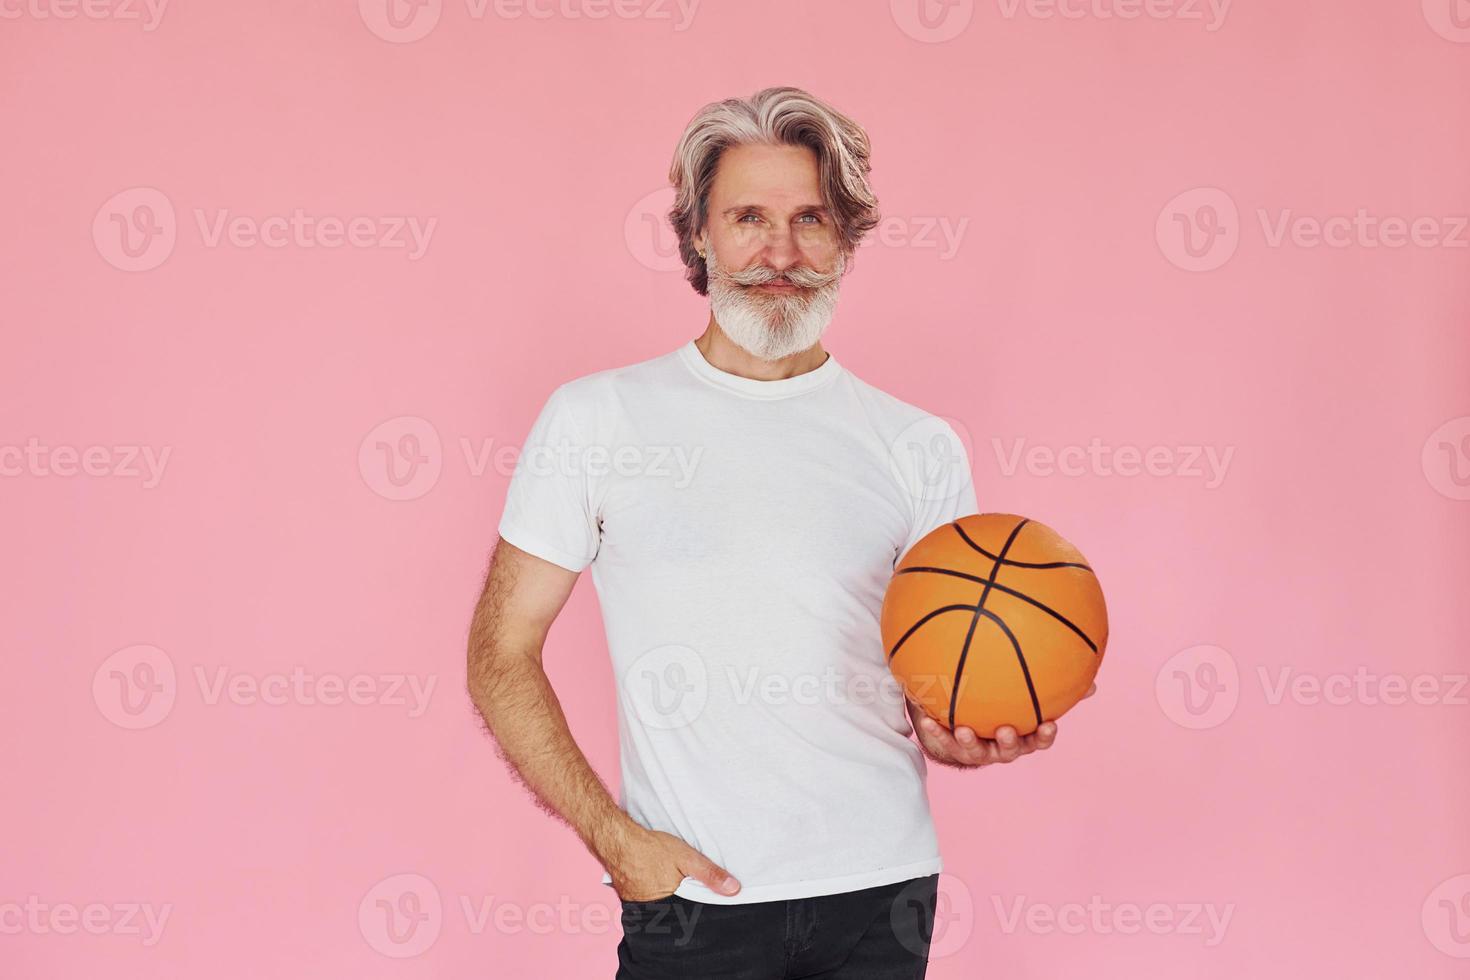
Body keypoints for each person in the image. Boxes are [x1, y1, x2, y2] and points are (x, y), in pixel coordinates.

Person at [466, 86, 1090, 979]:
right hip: (692, 900)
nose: (781, 251)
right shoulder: (598, 419)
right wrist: (614, 839)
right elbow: (500, 649)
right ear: (698, 235)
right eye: (748, 217)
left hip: (885, 891)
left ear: (846, 240)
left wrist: (964, 731)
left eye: (811, 220)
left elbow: (936, 673)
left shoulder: (916, 444)